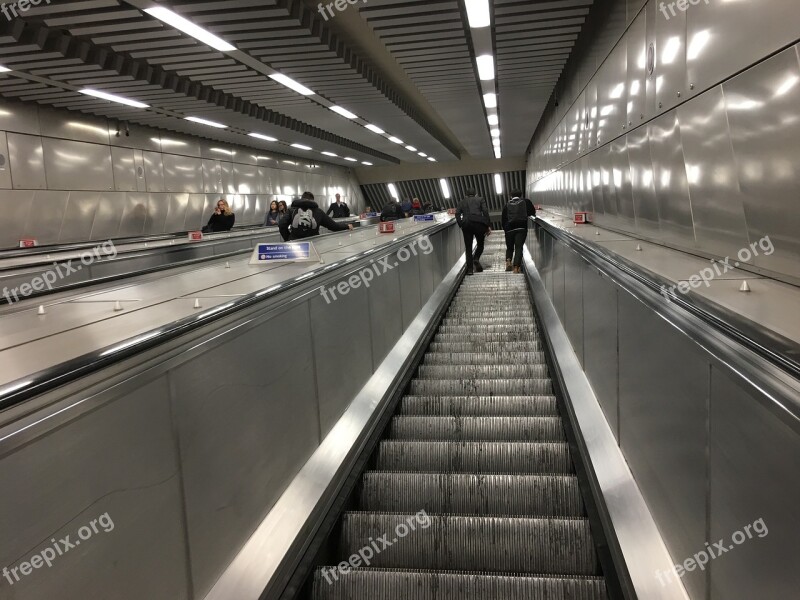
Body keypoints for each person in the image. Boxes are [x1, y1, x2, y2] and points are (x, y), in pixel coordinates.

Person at [279, 192, 354, 241]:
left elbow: (281, 224)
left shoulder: (291, 210)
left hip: (295, 242)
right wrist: (347, 226)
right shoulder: (318, 211)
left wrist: (288, 239)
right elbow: (333, 226)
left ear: (301, 198)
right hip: (314, 241)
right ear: (313, 200)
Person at [455, 189, 491, 275]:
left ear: (466, 195)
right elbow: (485, 211)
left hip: (466, 224)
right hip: (479, 224)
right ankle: (476, 258)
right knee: (480, 244)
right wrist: (487, 225)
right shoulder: (480, 199)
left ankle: (470, 270)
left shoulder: (462, 202)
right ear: (475, 194)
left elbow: (457, 213)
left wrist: (461, 224)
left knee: (468, 247)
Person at [502, 190, 536, 274]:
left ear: (511, 196)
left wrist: (506, 230)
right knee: (518, 247)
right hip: (521, 228)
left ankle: (508, 261)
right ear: (521, 195)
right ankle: (516, 267)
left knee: (509, 247)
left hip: (509, 229)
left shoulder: (507, 205)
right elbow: (532, 212)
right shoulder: (526, 202)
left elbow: (503, 219)